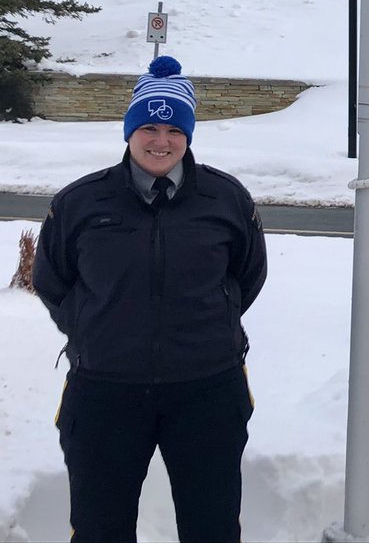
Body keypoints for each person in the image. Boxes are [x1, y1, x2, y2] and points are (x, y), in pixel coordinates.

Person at [33, 56, 268, 542]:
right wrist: (95, 328)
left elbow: (247, 275)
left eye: (174, 129)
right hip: (105, 391)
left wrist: (207, 325)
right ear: (129, 131)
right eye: (149, 127)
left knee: (213, 528)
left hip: (206, 390)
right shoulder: (80, 202)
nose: (161, 141)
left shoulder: (226, 199)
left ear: (188, 135)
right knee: (99, 529)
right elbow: (53, 280)